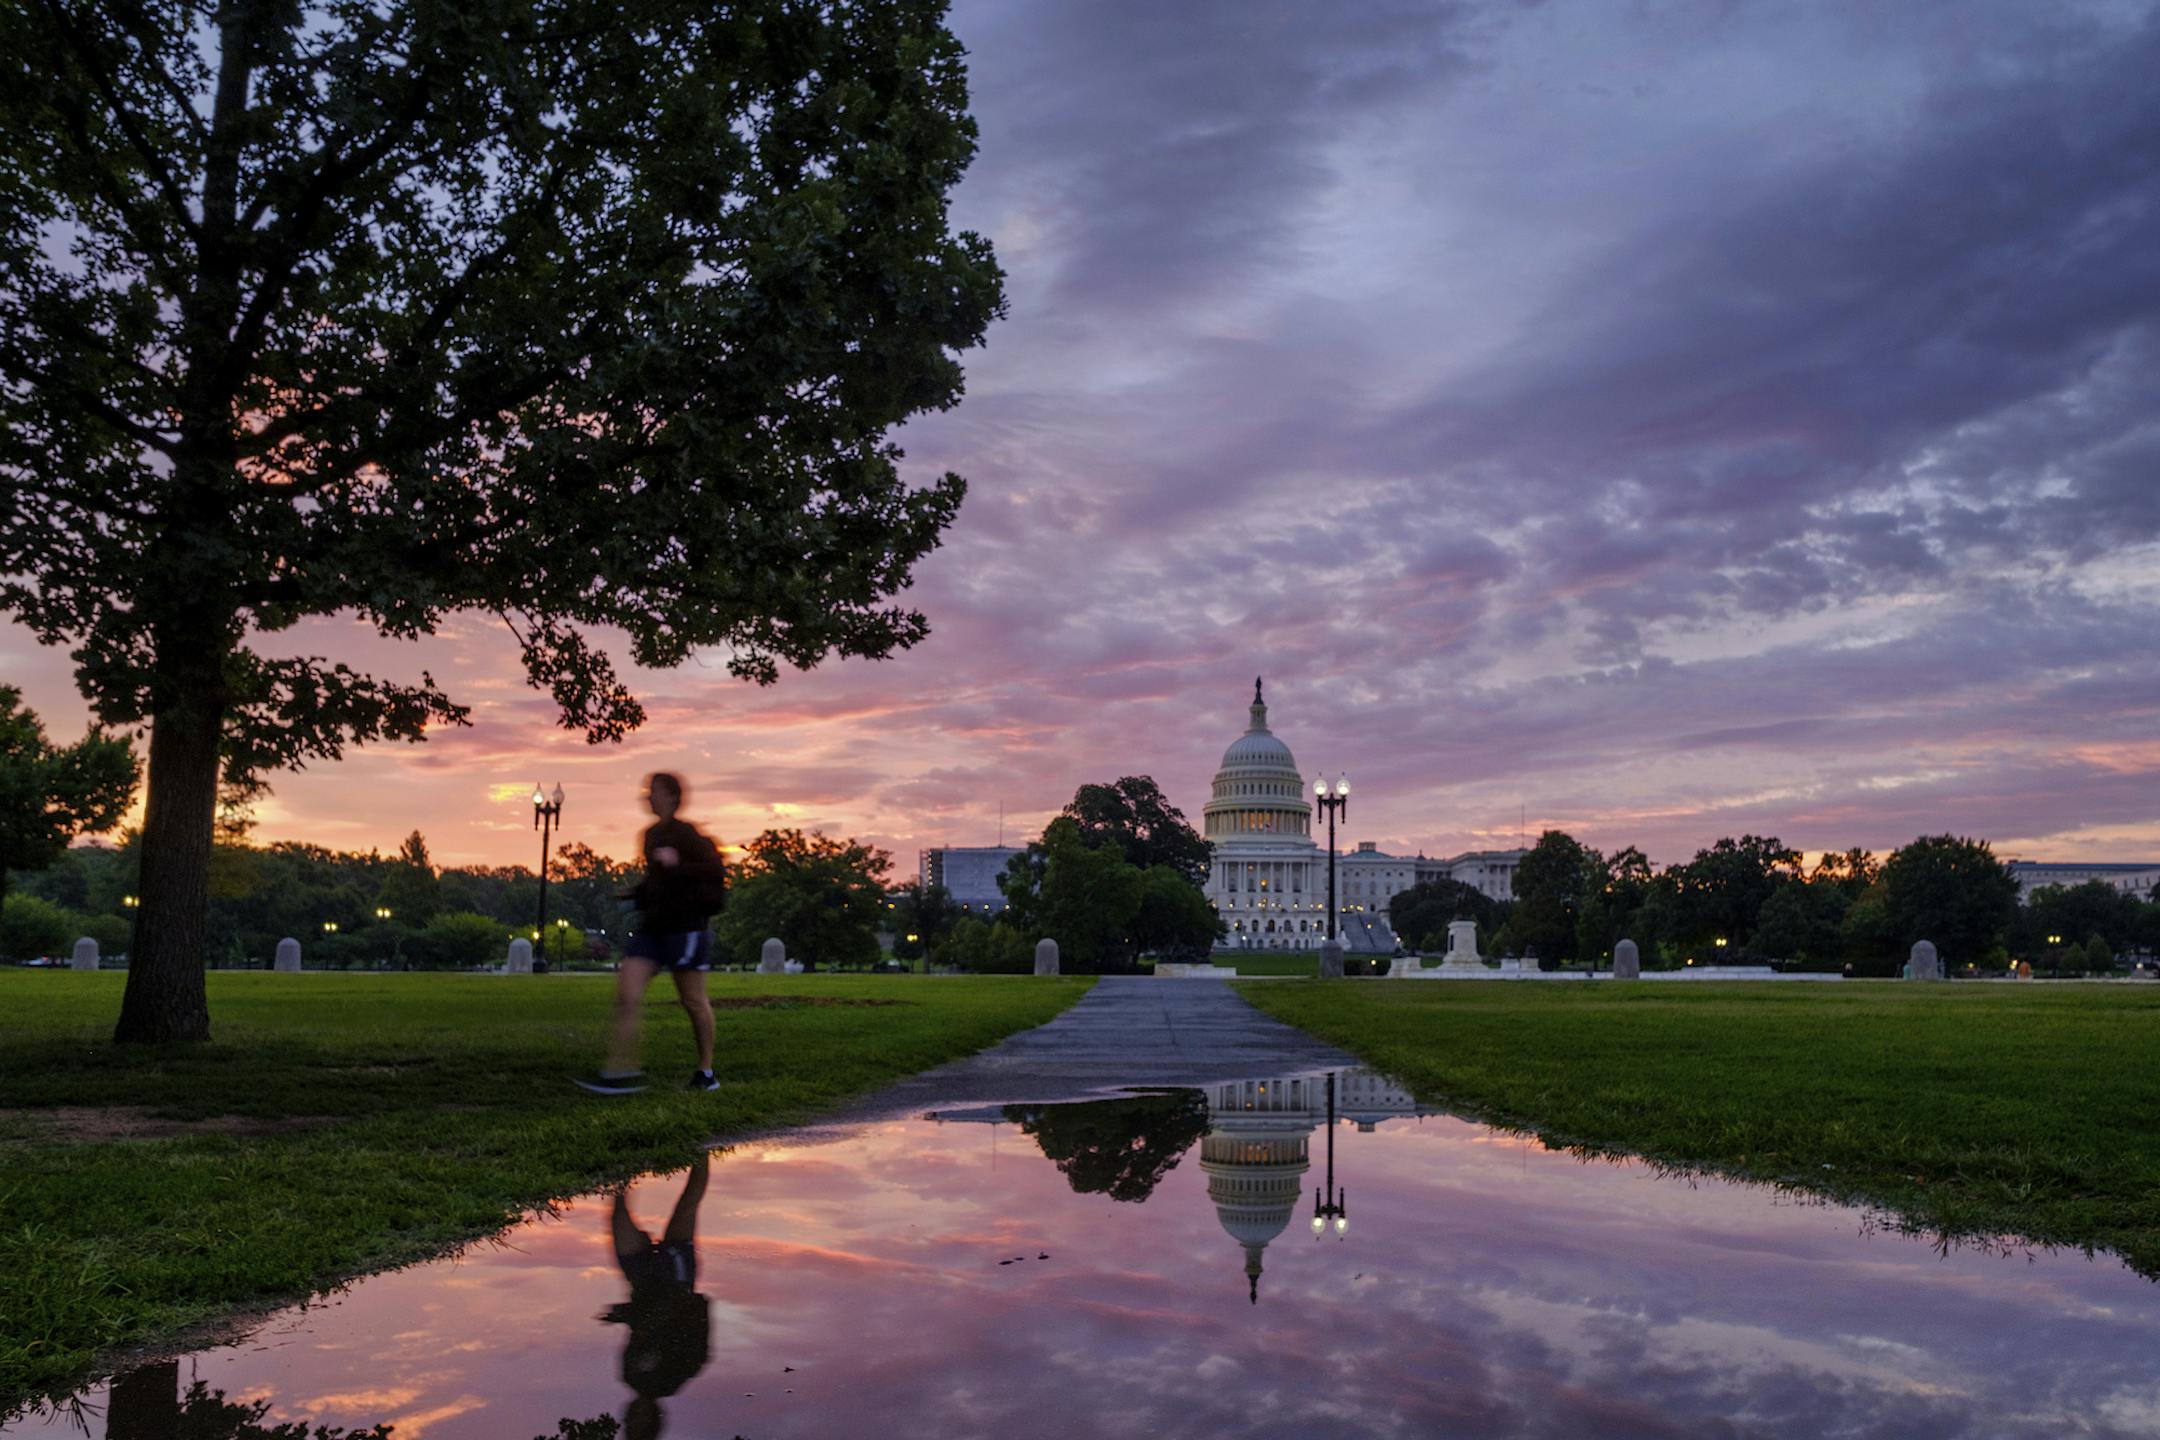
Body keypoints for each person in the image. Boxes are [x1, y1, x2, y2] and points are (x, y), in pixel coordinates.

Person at [577, 772, 725, 1094]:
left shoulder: (688, 835)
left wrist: (677, 865)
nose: (648, 797)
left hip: (686, 928)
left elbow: (715, 870)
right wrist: (635, 893)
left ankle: (706, 1072)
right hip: (654, 926)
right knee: (627, 993)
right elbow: (657, 881)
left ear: (672, 797)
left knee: (693, 1001)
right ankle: (620, 1072)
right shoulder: (650, 835)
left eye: (654, 791)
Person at [602, 1153, 713, 1440]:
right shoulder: (673, 1378)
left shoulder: (629, 1376)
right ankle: (703, 1148)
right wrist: (693, 1304)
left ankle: (625, 1159)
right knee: (687, 1206)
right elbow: (693, 1337)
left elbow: (640, 1327)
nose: (633, 1416)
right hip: (675, 1282)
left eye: (630, 1422)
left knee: (618, 1215)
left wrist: (623, 1315)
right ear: (653, 1420)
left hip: (642, 1282)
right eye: (640, 1422)